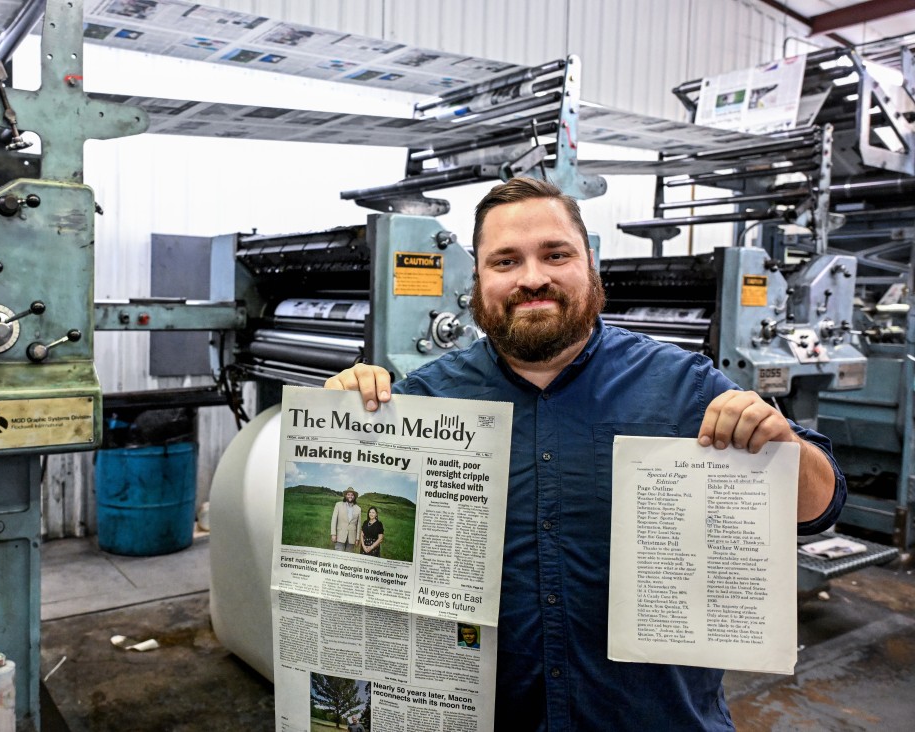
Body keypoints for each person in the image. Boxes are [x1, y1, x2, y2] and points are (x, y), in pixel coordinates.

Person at [325, 176, 846, 730]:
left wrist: (783, 443)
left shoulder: (682, 386)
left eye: (556, 254)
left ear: (589, 262)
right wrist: (341, 419)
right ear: (475, 278)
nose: (532, 278)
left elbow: (819, 507)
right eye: (505, 262)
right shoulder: (425, 402)